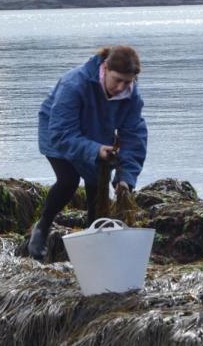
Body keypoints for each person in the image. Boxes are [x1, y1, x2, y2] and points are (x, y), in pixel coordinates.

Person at [29, 45, 148, 261]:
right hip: (57, 131)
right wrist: (95, 149)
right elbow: (61, 133)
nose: (122, 87)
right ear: (105, 68)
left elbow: (134, 138)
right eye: (117, 80)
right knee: (68, 180)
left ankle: (95, 245)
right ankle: (42, 226)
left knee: (97, 187)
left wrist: (125, 179)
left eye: (128, 82)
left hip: (97, 132)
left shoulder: (132, 97)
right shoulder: (74, 84)